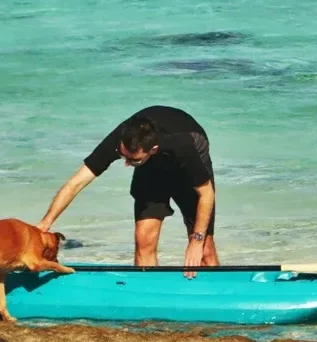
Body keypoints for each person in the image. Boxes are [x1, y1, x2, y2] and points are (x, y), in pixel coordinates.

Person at [35, 105, 218, 274]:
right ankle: (147, 299)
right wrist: (46, 222)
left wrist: (197, 239)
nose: (126, 164)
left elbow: (206, 193)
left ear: (153, 150)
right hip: (150, 168)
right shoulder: (119, 141)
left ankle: (216, 296)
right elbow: (75, 183)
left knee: (204, 250)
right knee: (143, 240)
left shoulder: (182, 144)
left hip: (188, 162)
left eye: (132, 161)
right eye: (124, 156)